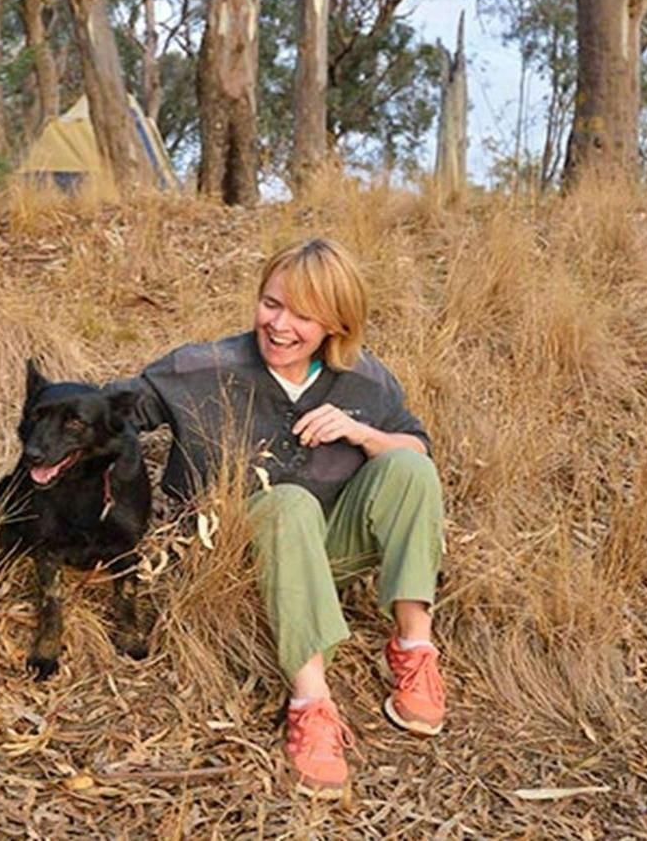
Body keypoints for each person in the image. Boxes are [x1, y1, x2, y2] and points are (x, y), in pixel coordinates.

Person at [110, 238, 446, 798]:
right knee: (289, 502)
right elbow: (112, 411)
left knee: (412, 469)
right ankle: (311, 703)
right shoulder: (201, 368)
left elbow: (416, 446)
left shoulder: (366, 380)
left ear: (336, 324)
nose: (280, 325)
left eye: (303, 315)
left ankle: (413, 650)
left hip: (324, 555)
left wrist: (360, 433)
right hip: (233, 555)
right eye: (271, 304)